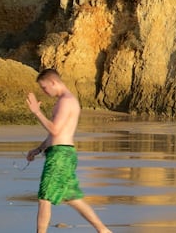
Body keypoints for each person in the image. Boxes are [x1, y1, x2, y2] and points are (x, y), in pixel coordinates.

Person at [26, 68, 113, 233]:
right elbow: (56, 135)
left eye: (44, 88)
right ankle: (103, 230)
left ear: (53, 82)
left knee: (44, 197)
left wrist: (37, 112)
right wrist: (38, 149)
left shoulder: (66, 101)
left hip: (60, 156)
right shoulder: (65, 100)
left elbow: (55, 130)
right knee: (72, 197)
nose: (44, 92)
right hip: (63, 153)